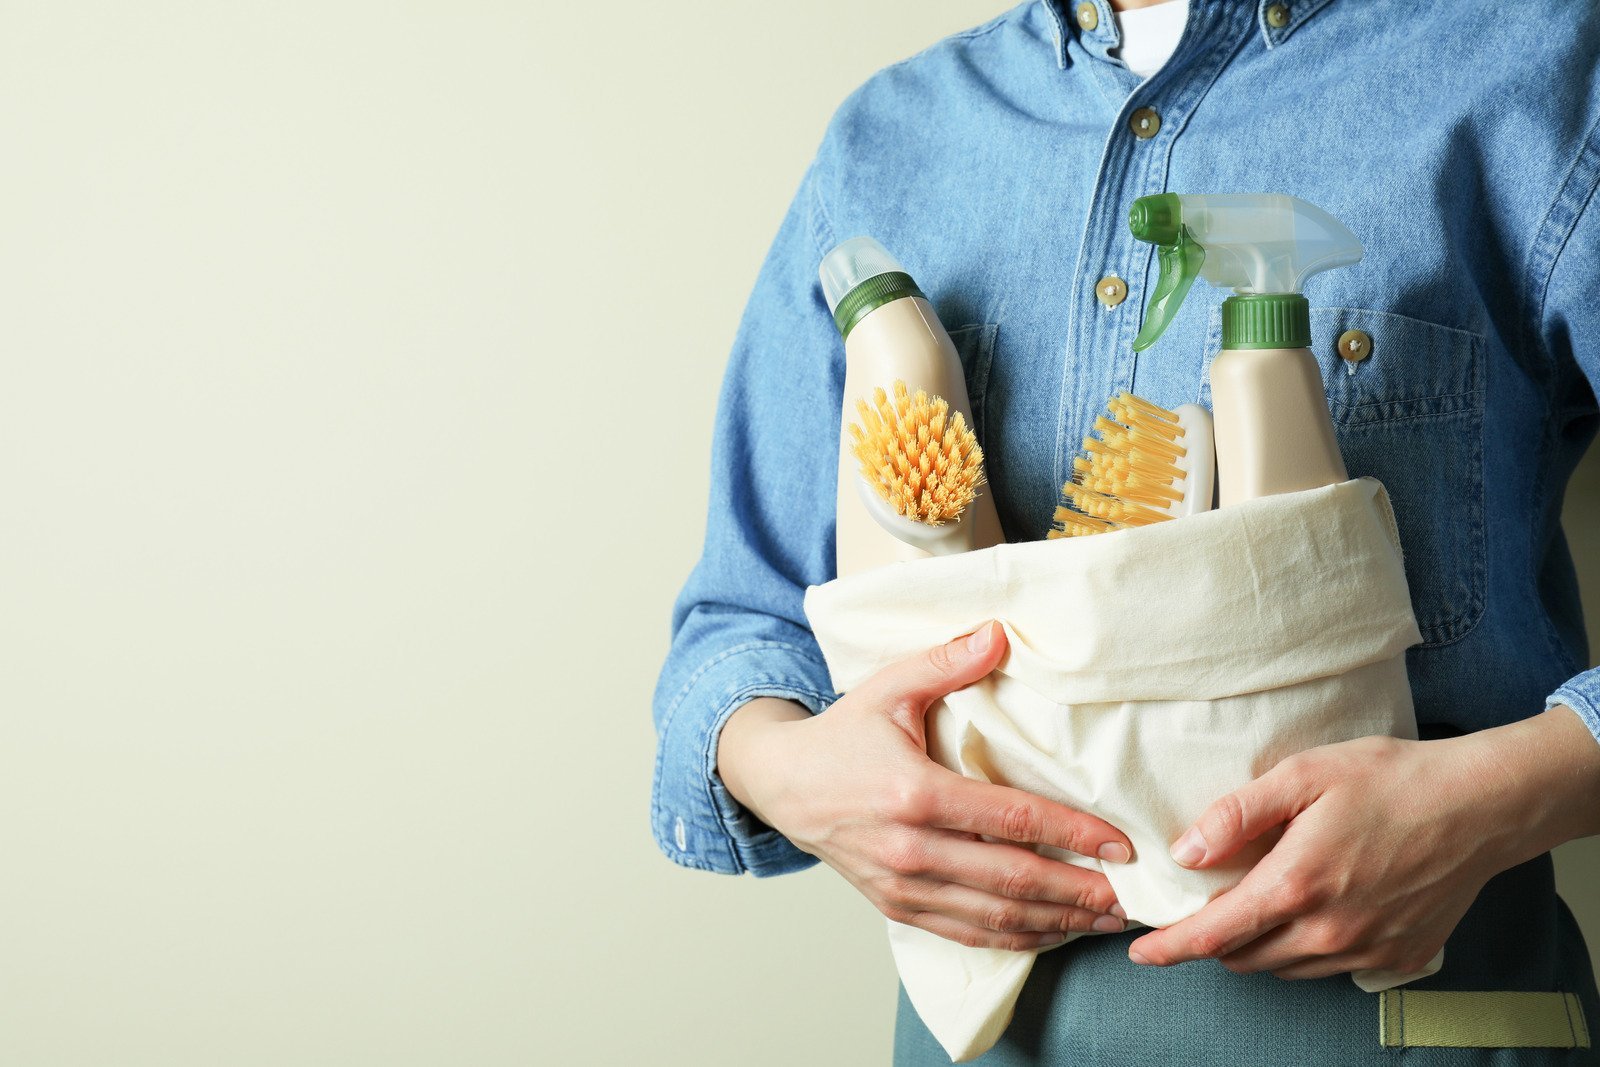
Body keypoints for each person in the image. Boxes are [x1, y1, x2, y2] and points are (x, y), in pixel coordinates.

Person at [651, 0, 1600, 1061]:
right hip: (986, 1028)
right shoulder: (890, 140)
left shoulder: (1536, 67)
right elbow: (740, 624)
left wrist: (1500, 800)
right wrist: (795, 774)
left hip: (1400, 1018)